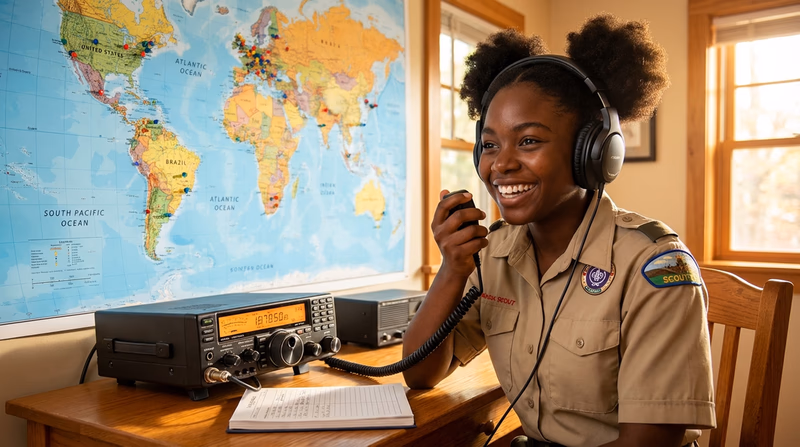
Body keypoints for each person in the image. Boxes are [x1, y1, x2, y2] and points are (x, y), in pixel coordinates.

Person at [402, 14, 716, 447]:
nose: (502, 164)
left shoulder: (654, 267)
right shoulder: (493, 254)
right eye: (490, 145)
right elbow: (420, 374)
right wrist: (452, 268)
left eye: (528, 141)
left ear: (593, 152)